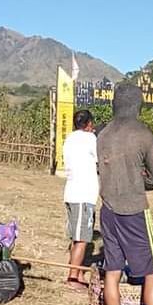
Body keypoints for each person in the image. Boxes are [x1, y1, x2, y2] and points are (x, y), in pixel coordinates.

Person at [96, 83, 153, 305]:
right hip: (135, 212)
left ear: (115, 104)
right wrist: (144, 182)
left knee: (112, 273)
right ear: (138, 104)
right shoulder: (142, 133)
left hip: (108, 210)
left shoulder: (102, 134)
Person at [63, 109, 98, 291]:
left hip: (71, 193)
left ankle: (76, 271)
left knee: (77, 237)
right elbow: (102, 158)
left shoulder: (70, 138)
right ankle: (73, 278)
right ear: (89, 124)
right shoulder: (90, 139)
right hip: (83, 195)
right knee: (83, 239)